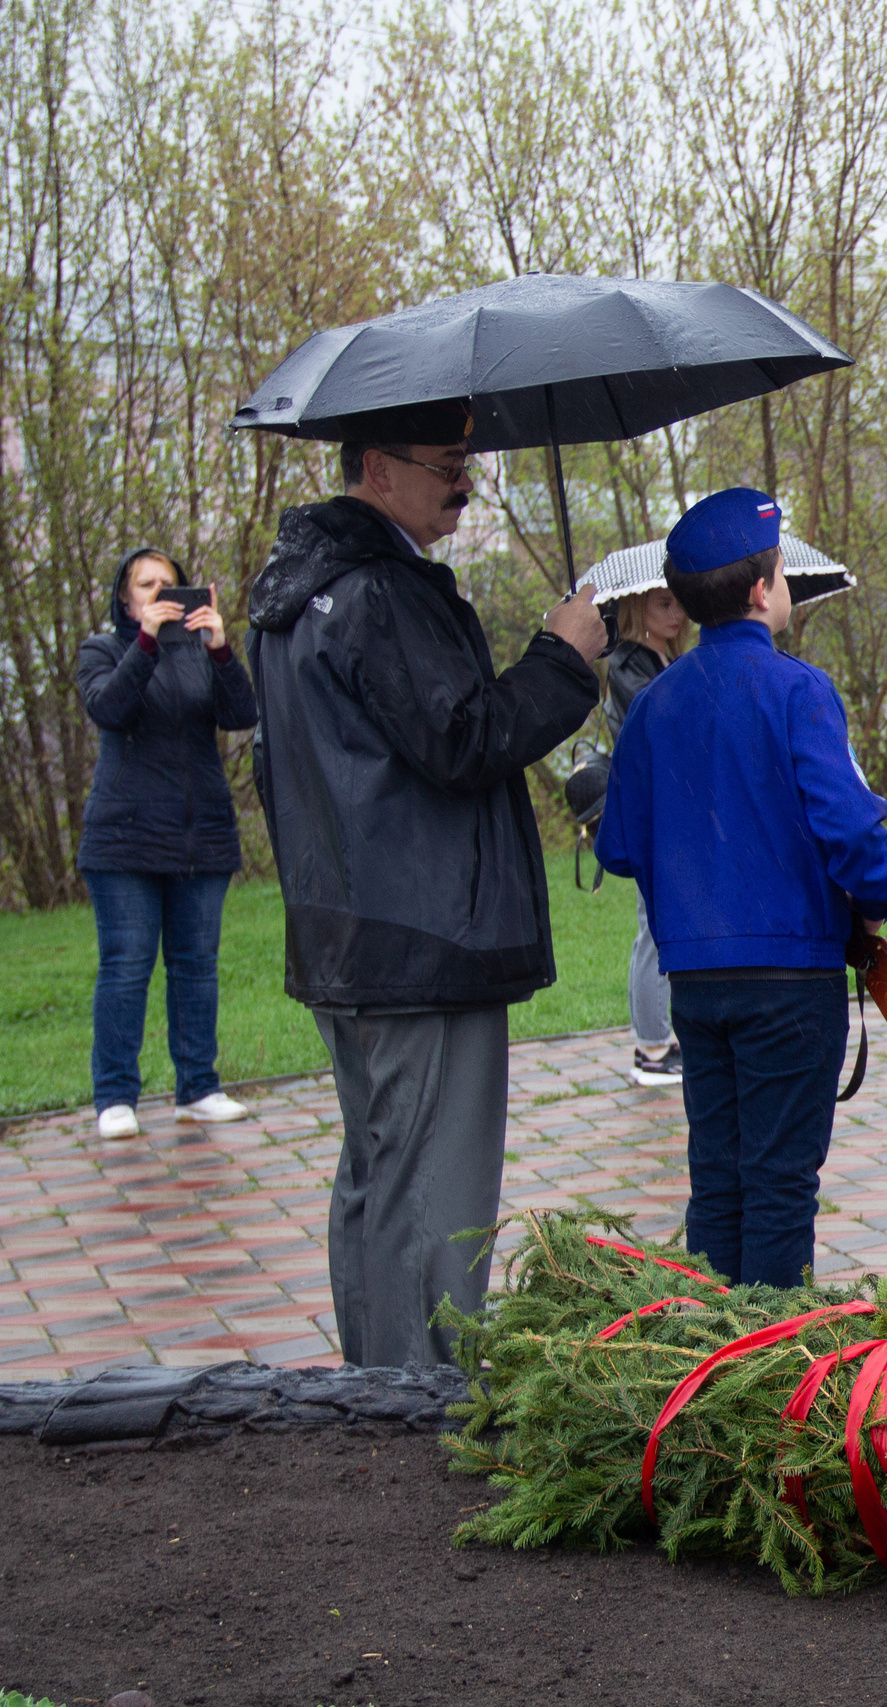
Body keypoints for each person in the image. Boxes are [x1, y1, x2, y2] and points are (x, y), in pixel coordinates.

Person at [244, 399, 607, 1367]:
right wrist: (563, 658)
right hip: (424, 941)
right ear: (374, 469)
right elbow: (464, 736)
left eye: (466, 459)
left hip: (348, 937)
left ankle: (370, 1405)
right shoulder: (376, 594)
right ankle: (420, 1416)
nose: (465, 480)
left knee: (376, 1177)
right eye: (447, 461)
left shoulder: (298, 597)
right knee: (434, 1201)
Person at [597, 490, 887, 1289]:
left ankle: (709, 1350)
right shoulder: (798, 690)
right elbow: (853, 835)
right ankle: (768, 1367)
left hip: (695, 982)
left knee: (720, 1178)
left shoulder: (654, 702)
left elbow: (621, 847)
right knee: (778, 1185)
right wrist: (876, 897)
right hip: (789, 980)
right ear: (764, 590)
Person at [76, 548, 259, 1139]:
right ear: (126, 597)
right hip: (124, 839)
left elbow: (242, 713)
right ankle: (114, 1096)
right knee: (127, 967)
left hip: (199, 832)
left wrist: (221, 648)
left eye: (169, 584)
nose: (159, 592)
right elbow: (110, 707)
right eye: (146, 585)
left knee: (195, 967)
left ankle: (198, 1089)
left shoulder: (200, 652)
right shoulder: (103, 651)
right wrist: (147, 642)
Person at [602, 586, 691, 1088]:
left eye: (679, 603)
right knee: (653, 929)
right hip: (652, 811)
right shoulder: (629, 664)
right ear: (638, 609)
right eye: (663, 605)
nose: (676, 614)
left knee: (664, 925)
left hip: (667, 808)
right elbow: (658, 728)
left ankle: (661, 1037)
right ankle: (651, 1048)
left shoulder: (658, 660)